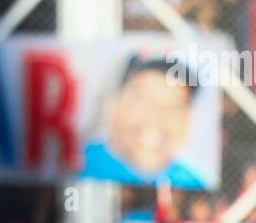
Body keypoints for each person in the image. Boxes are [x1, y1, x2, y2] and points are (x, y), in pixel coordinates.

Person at [81, 55, 205, 188]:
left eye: (175, 107)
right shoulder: (76, 165)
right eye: (142, 100)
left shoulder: (192, 183)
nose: (157, 117)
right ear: (113, 105)